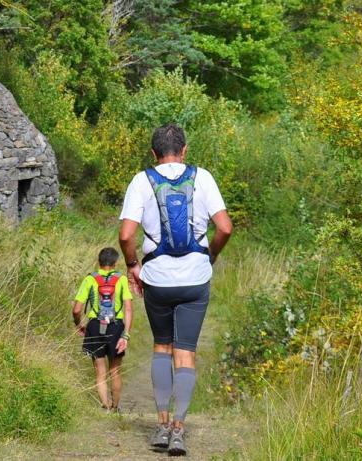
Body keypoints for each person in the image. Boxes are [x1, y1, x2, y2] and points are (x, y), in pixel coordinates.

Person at [118, 124, 232, 456]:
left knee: (162, 349)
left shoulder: (142, 181)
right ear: (184, 151)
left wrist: (132, 265)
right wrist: (209, 256)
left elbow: (126, 235)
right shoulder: (203, 177)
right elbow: (225, 227)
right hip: (195, 278)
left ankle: (161, 425)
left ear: (153, 154)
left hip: (158, 279)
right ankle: (179, 431)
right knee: (186, 353)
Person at [72, 247, 134, 412]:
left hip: (94, 327)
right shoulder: (121, 280)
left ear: (98, 262)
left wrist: (78, 324)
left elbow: (77, 309)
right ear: (115, 263)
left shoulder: (90, 279)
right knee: (115, 371)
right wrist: (126, 334)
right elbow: (128, 309)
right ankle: (115, 407)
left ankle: (105, 407)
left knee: (100, 372)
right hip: (116, 327)